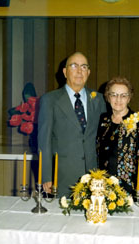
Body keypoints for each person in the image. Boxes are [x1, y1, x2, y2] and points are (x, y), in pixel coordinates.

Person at [38, 52, 106, 197]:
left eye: (84, 67)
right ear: (65, 72)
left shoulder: (99, 99)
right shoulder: (50, 100)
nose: (79, 71)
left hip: (94, 178)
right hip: (62, 177)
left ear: (88, 72)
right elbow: (44, 141)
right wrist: (46, 176)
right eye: (74, 66)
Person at [97, 76, 139, 202]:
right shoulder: (103, 121)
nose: (118, 99)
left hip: (132, 191)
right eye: (114, 95)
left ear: (129, 98)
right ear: (107, 97)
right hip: (103, 189)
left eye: (123, 95)